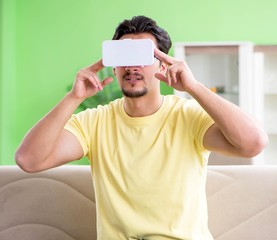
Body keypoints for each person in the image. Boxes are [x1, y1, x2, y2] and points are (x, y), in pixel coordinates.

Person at [15, 16, 268, 239]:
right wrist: (73, 97)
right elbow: (29, 160)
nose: (133, 67)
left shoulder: (188, 115)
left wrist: (194, 88)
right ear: (114, 66)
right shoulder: (94, 121)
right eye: (125, 57)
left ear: (162, 64)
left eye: (144, 57)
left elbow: (253, 143)